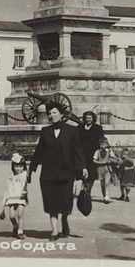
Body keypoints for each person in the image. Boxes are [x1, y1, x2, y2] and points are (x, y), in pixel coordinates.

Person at [29, 102, 87, 240]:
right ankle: (54, 230)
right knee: (51, 202)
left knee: (66, 202)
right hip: (48, 174)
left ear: (61, 114)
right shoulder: (45, 131)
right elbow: (39, 152)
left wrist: (82, 167)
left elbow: (77, 151)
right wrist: (32, 168)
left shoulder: (72, 131)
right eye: (49, 113)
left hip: (66, 173)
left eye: (54, 112)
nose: (51, 115)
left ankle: (65, 219)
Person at [0, 153, 30, 239]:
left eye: (20, 166)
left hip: (21, 197)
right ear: (13, 167)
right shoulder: (10, 176)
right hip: (12, 198)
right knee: (12, 216)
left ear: (23, 167)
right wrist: (4, 204)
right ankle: (15, 226)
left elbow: (27, 176)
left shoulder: (24, 174)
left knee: (20, 214)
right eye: (16, 166)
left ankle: (20, 231)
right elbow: (7, 189)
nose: (18, 168)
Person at [79, 111, 105, 198]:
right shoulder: (80, 127)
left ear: (93, 118)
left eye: (90, 118)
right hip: (82, 154)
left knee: (92, 174)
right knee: (82, 173)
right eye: (86, 118)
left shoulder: (98, 128)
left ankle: (88, 191)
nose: (88, 119)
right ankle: (85, 188)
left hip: (93, 155)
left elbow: (102, 140)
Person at [91, 137, 117, 203]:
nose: (103, 145)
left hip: (107, 168)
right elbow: (94, 160)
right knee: (102, 184)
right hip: (100, 169)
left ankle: (107, 196)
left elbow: (114, 158)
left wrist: (110, 160)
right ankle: (104, 196)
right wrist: (101, 162)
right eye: (101, 144)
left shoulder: (109, 151)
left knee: (106, 183)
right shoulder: (97, 151)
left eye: (104, 144)